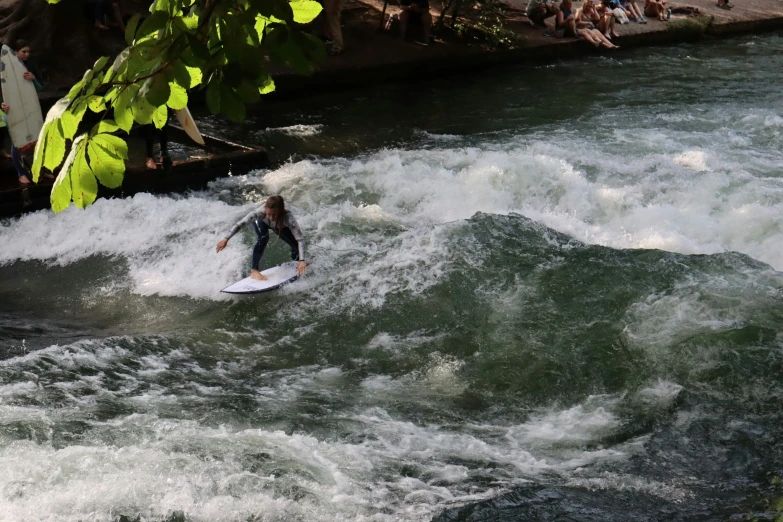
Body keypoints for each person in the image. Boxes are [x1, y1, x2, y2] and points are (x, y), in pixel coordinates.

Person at [216, 195, 307, 281]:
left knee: (295, 245)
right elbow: (240, 224)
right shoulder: (259, 212)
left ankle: (298, 263)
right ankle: (254, 271)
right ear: (265, 210)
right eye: (269, 214)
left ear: (281, 211)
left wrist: (302, 260)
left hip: (280, 224)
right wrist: (226, 239)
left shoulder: (288, 217)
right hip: (261, 222)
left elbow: (300, 239)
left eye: (274, 214)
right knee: (263, 238)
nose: (271, 217)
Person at [0, 40, 49, 186]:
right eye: (24, 51)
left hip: (30, 108)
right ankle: (21, 174)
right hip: (11, 110)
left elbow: (40, 88)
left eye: (28, 51)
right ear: (15, 53)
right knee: (18, 142)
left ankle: (42, 169)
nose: (27, 54)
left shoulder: (31, 66)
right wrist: (1, 105)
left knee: (38, 139)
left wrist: (34, 79)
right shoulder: (3, 68)